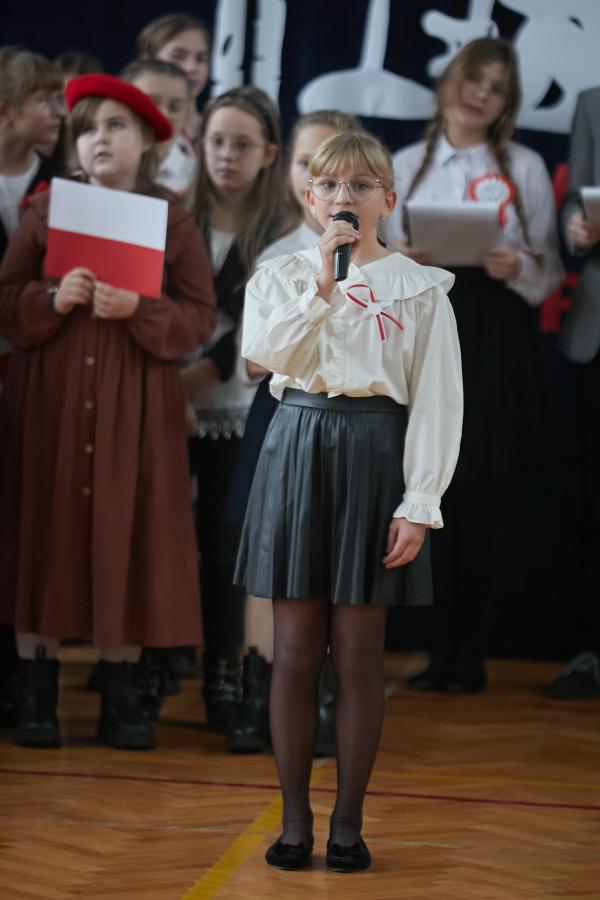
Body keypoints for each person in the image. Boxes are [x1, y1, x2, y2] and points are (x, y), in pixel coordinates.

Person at [235, 130, 463, 871]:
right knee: (295, 651)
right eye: (330, 185)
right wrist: (322, 291)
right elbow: (264, 357)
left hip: (374, 458)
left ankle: (348, 825)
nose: (344, 197)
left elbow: (437, 402)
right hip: (297, 449)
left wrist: (419, 501)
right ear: (310, 199)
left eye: (361, 186)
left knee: (360, 655)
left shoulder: (421, 290)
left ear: (387, 201)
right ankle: (294, 821)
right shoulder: (280, 277)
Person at [0, 74, 216, 750]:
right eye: (88, 127)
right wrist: (52, 298)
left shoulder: (171, 219)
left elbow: (199, 315)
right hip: (54, 399)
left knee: (130, 532)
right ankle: (36, 694)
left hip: (136, 404)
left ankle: (125, 700)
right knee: (45, 529)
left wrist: (138, 309)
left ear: (148, 140)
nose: (99, 139)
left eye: (115, 126)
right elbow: (6, 297)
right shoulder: (47, 209)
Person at [385, 37, 563, 694]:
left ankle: (470, 654)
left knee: (482, 495)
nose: (481, 95)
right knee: (427, 489)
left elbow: (549, 272)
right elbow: (377, 266)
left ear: (507, 102)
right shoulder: (406, 163)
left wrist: (518, 267)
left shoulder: (525, 166)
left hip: (495, 336)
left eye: (496, 88)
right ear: (451, 80)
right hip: (426, 328)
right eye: (474, 79)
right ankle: (435, 648)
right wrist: (403, 261)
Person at [225, 109, 361, 756]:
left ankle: (325, 697)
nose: (330, 189)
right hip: (283, 417)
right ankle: (259, 693)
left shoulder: (384, 259)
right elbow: (254, 361)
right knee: (271, 559)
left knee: (336, 559)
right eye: (311, 168)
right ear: (293, 176)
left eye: (343, 174)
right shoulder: (278, 256)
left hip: (355, 426)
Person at [181, 86, 286, 732]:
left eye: (242, 145)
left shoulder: (280, 232)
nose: (226, 155)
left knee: (225, 547)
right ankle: (153, 662)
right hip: (167, 400)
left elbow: (253, 324)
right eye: (216, 141)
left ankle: (225, 669)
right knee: (169, 542)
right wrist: (173, 387)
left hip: (237, 404)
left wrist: (198, 377)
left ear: (269, 154)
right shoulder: (177, 215)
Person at [0, 47, 66, 729]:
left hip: (35, 369)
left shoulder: (62, 185)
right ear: (5, 111)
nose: (59, 111)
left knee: (23, 523)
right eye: (44, 100)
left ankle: (24, 678)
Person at [547, 86, 600, 700]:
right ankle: (590, 653)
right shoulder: (592, 104)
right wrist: (577, 228)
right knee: (591, 500)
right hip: (595, 331)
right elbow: (573, 206)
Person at [122, 58, 195, 194]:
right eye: (151, 103)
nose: (164, 115)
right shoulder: (98, 164)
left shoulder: (195, 176)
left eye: (175, 107)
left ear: (187, 114)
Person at [136, 13, 210, 144]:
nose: (191, 68)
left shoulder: (219, 131)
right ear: (149, 60)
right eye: (178, 57)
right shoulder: (134, 129)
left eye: (201, 59)